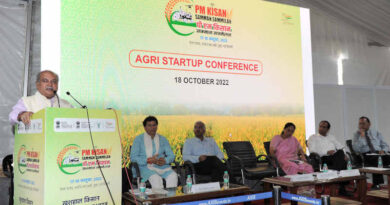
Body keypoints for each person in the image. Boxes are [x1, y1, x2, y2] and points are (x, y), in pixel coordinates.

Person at [130, 116, 178, 189]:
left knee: (173, 176)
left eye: (154, 125)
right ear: (145, 127)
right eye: (149, 125)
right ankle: (159, 200)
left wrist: (165, 160)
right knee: (156, 179)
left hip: (162, 167)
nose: (152, 128)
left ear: (157, 126)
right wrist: (148, 160)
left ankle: (170, 199)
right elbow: (133, 158)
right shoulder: (138, 140)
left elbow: (171, 155)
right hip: (144, 167)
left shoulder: (163, 139)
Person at [308, 121, 352, 196]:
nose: (321, 128)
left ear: (328, 129)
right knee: (343, 163)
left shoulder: (331, 137)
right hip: (323, 158)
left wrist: (345, 155)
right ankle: (342, 187)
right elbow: (312, 151)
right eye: (320, 126)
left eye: (324, 127)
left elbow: (341, 146)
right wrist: (326, 152)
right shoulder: (313, 137)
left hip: (334, 157)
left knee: (341, 152)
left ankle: (335, 173)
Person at [352, 116, 389, 189]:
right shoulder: (356, 134)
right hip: (365, 155)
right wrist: (362, 137)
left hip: (379, 153)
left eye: (363, 123)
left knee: (382, 158)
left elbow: (385, 145)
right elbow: (356, 149)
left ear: (369, 124)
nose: (361, 126)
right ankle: (376, 184)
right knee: (378, 160)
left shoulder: (376, 132)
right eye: (360, 124)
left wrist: (384, 150)